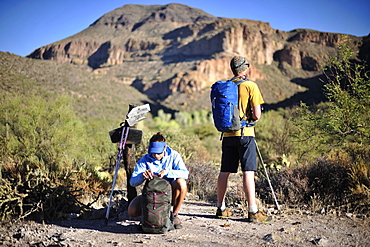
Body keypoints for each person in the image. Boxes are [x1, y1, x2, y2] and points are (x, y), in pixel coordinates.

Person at [216, 55, 272, 223]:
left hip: (227, 135)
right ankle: (253, 211)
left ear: (233, 70)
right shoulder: (251, 86)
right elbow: (256, 115)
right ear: (245, 68)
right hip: (246, 135)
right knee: (248, 171)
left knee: (224, 172)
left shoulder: (226, 86)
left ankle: (220, 208)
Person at [128, 132, 189, 229]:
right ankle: (152, 215)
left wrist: (168, 172)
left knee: (181, 183)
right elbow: (133, 182)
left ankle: (174, 214)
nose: (156, 156)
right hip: (152, 195)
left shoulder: (174, 155)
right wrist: (142, 176)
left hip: (170, 194)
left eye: (159, 153)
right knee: (132, 211)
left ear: (165, 148)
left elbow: (185, 174)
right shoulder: (145, 159)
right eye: (153, 152)